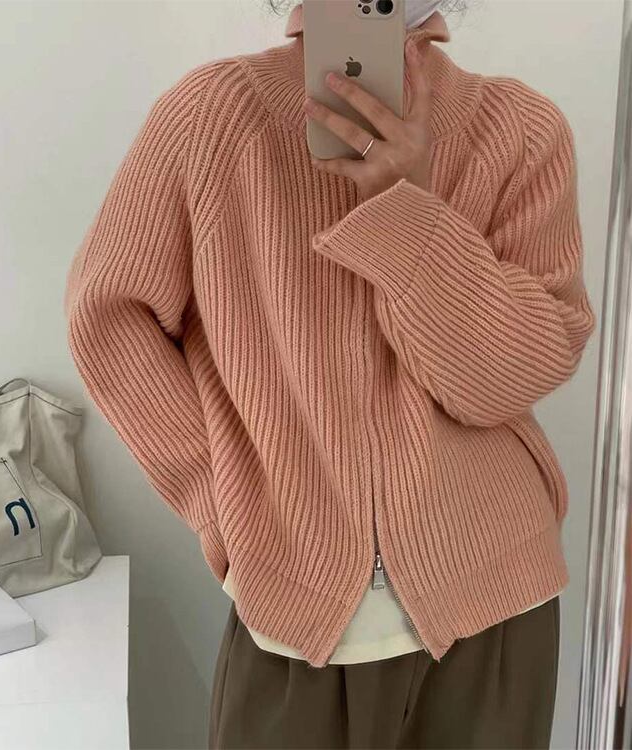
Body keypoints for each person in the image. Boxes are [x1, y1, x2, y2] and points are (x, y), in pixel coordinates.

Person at [63, 0, 596, 747]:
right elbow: (108, 318)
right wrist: (220, 499)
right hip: (294, 615)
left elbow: (509, 378)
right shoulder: (210, 118)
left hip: (494, 604)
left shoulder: (521, 130)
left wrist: (407, 208)